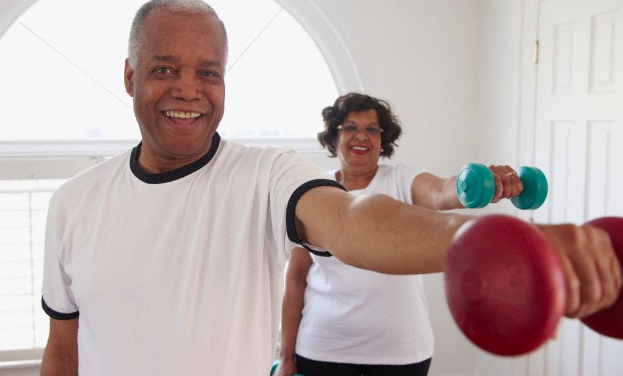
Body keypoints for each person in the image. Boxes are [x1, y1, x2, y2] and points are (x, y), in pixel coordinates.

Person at [38, 1, 622, 376]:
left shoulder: (268, 175)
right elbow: (63, 351)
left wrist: (510, 239)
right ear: (130, 75)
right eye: (165, 68)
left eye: (208, 71)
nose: (189, 89)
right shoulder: (74, 203)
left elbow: (355, 223)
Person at [274, 93, 522, 376]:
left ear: (383, 139)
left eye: (371, 129)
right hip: (323, 349)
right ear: (334, 136)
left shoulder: (400, 179)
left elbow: (441, 192)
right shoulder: (315, 191)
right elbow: (295, 277)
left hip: (400, 352)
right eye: (351, 127)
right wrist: (285, 356)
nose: (362, 136)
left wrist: (480, 184)